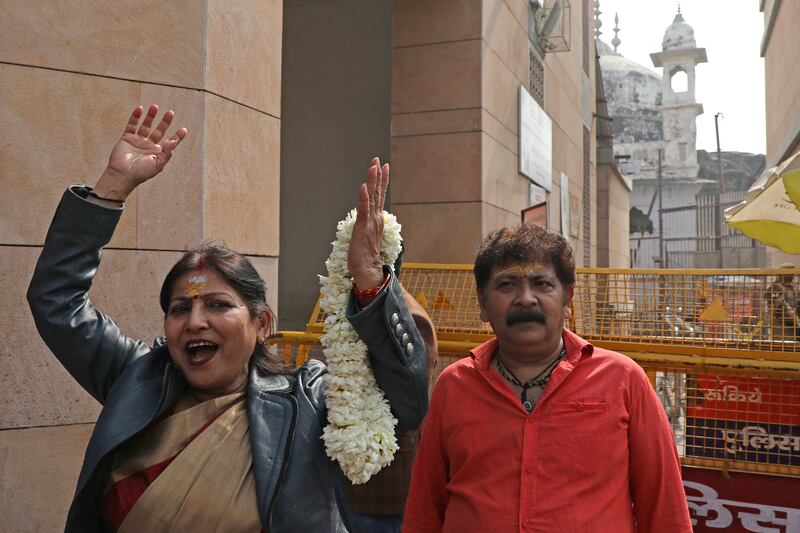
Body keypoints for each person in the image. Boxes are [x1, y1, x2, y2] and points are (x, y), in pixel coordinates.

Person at [27, 104, 431, 532]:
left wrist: (369, 282)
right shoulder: (136, 380)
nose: (196, 321)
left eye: (218, 305)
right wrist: (112, 187)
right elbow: (56, 300)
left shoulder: (305, 401)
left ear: (262, 325)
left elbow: (404, 400)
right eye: (180, 309)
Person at [403, 224, 692, 532]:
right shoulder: (454, 386)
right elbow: (425, 507)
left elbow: (665, 510)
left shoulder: (623, 380)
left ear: (567, 298)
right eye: (507, 285)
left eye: (542, 284)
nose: (526, 299)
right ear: (483, 304)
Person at [338, 243, 438, 533]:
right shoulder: (348, 305)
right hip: (347, 475)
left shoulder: (409, 316)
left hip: (384, 483)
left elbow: (409, 406)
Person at [769, 263, 799, 341]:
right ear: (782, 274)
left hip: (793, 325)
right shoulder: (775, 287)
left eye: (792, 274)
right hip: (781, 324)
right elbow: (777, 307)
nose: (791, 276)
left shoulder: (791, 287)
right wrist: (795, 320)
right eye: (789, 274)